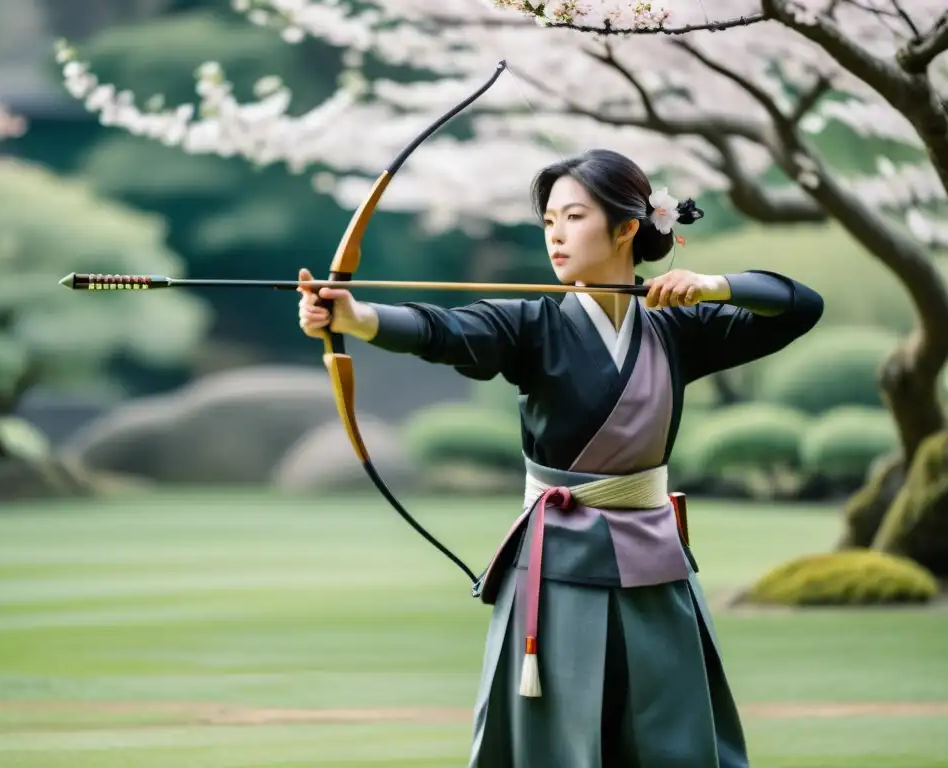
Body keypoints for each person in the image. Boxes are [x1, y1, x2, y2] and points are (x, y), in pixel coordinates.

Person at [297, 148, 823, 767]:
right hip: (559, 562)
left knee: (670, 733)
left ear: (628, 227)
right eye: (548, 222)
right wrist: (357, 319)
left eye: (573, 217)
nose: (556, 236)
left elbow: (800, 306)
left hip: (653, 557)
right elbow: (446, 330)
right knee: (559, 742)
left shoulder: (679, 329)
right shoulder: (533, 326)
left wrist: (717, 285)